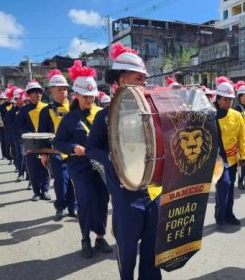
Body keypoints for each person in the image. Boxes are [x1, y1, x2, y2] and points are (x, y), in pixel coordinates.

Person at [85, 42, 162, 279]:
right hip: (124, 192)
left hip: (154, 190)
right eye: (137, 78)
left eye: (143, 78)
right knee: (127, 251)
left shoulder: (155, 108)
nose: (143, 82)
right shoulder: (105, 115)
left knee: (153, 250)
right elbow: (90, 148)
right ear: (120, 79)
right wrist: (112, 158)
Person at [53, 60, 112, 258]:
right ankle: (85, 238)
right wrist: (72, 147)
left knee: (102, 200)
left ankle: (100, 237)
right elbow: (58, 142)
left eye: (92, 96)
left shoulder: (101, 114)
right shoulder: (69, 119)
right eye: (86, 96)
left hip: (101, 165)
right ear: (76, 95)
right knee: (86, 200)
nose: (90, 100)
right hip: (79, 166)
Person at [38, 69, 77, 219]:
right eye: (59, 89)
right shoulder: (46, 111)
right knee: (61, 181)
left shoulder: (75, 107)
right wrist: (43, 154)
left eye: (65, 89)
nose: (63, 92)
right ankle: (60, 206)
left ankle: (73, 208)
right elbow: (43, 134)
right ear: (51, 91)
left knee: (74, 181)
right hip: (56, 152)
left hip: (74, 150)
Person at [214, 76, 245, 226]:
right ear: (218, 99)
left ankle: (229, 214)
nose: (229, 102)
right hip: (218, 159)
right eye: (225, 99)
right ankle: (220, 215)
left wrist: (244, 155)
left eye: (231, 99)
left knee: (230, 186)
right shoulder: (210, 116)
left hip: (233, 157)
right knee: (224, 185)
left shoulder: (237, 115)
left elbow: (242, 137)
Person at [18, 81, 51, 201]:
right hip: (30, 142)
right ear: (29, 95)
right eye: (35, 93)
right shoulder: (24, 110)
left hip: (45, 142)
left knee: (45, 166)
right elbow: (20, 125)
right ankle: (36, 192)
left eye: (39, 92)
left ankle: (45, 190)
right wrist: (29, 133)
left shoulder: (47, 108)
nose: (38, 95)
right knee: (33, 168)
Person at [0, 86, 14, 164]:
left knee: (15, 145)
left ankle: (15, 159)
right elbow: (3, 117)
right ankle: (10, 158)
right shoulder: (3, 106)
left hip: (15, 127)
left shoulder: (14, 104)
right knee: (8, 142)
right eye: (7, 96)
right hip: (7, 127)